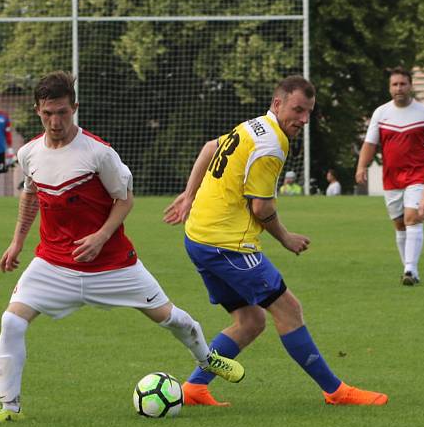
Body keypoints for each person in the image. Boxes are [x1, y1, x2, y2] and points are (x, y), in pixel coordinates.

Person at [0, 71, 245, 424]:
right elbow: (30, 196)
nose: (55, 121)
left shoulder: (99, 153)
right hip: (54, 263)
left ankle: (206, 358)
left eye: (62, 112)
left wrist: (101, 236)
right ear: (38, 111)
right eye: (47, 114)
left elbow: (125, 199)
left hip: (113, 264)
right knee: (11, 320)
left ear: (74, 108)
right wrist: (16, 242)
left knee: (171, 319)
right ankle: (9, 409)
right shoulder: (29, 153)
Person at [164, 75, 387, 408]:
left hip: (199, 237)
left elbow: (210, 148)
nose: (304, 119)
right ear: (278, 103)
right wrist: (286, 238)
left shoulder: (252, 126)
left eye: (309, 112)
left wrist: (189, 194)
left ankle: (195, 388)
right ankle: (335, 392)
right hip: (226, 245)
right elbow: (262, 207)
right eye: (298, 110)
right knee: (289, 310)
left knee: (251, 321)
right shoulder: (272, 144)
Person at [355, 66, 424, 286]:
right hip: (391, 178)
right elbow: (370, 143)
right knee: (399, 224)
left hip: (418, 175)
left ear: (411, 86)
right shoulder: (381, 113)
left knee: (412, 217)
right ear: (390, 88)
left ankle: (411, 270)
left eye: (403, 84)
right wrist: (361, 166)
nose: (399, 88)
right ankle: (408, 267)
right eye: (395, 84)